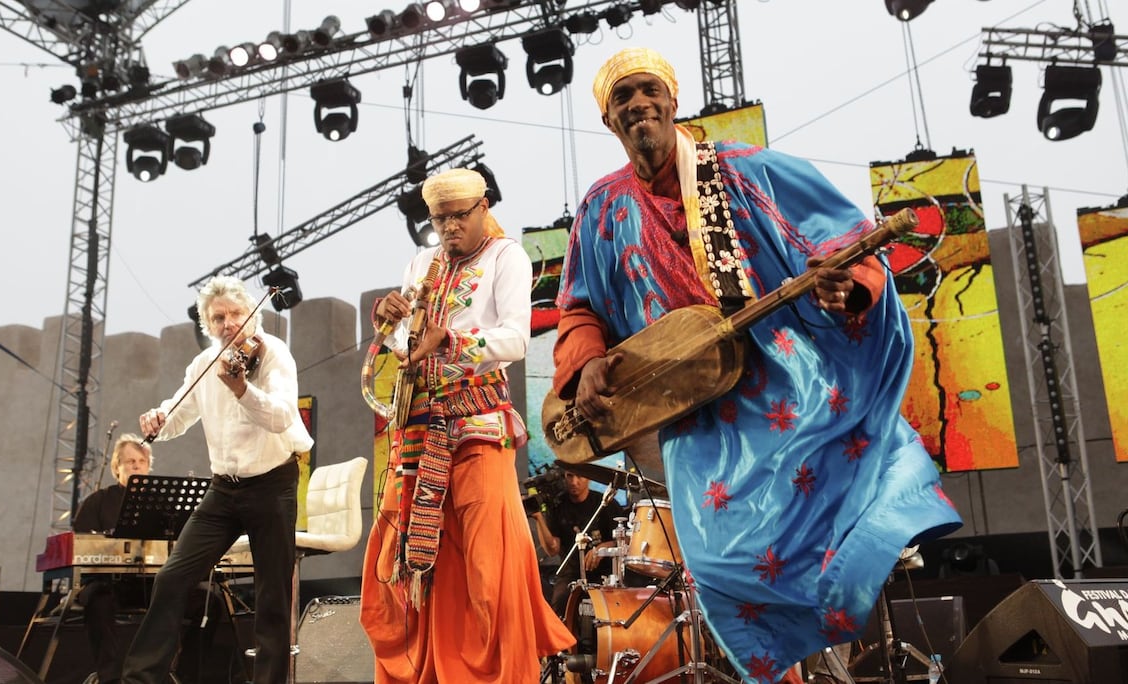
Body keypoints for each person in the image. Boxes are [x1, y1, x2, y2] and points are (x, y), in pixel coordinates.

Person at [551, 47, 963, 683]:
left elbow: (838, 238)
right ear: (609, 121)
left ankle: (818, 667)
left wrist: (846, 288)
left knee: (827, 524)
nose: (637, 105)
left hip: (784, 385)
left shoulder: (745, 173)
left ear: (671, 101)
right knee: (720, 566)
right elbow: (579, 306)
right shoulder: (603, 207)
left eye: (647, 91)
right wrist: (585, 367)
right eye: (622, 98)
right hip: (693, 416)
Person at [359, 167, 575, 683]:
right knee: (404, 559)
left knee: (486, 566)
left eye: (459, 215)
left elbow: (516, 341)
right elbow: (407, 348)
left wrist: (452, 341)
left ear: (483, 208)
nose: (449, 227)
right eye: (439, 218)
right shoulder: (421, 263)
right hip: (418, 427)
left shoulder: (507, 256)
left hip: (478, 425)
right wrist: (388, 325)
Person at [125, 275, 312, 684]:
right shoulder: (203, 365)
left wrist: (243, 389)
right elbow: (177, 415)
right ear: (207, 325)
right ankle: (140, 678)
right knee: (172, 577)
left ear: (253, 314)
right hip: (223, 491)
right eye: (218, 317)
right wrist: (157, 419)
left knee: (272, 598)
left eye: (236, 313)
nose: (228, 323)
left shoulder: (274, 354)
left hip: (272, 484)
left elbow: (282, 417)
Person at [72, 435, 153, 684]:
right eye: (130, 461)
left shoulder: (159, 503)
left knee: (208, 604)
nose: (137, 466)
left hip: (151, 585)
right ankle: (110, 679)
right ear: (116, 467)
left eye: (141, 461)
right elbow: (81, 545)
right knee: (98, 601)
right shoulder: (98, 502)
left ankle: (182, 674)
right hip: (108, 585)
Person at [531, 469, 625, 616]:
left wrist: (602, 548)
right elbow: (552, 549)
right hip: (571, 573)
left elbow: (624, 540)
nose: (574, 482)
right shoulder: (557, 506)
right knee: (560, 606)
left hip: (605, 572)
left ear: (589, 478)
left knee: (614, 610)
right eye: (569, 476)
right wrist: (538, 519)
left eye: (580, 475)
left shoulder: (606, 503)